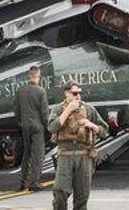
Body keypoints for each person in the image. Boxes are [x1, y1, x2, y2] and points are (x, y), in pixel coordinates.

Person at [48, 80, 108, 210]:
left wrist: (91, 125)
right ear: (66, 93)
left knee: (82, 196)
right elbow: (52, 127)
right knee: (60, 192)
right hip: (65, 155)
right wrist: (68, 110)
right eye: (74, 93)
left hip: (84, 156)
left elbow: (105, 131)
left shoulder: (88, 109)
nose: (78, 96)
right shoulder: (57, 109)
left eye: (79, 93)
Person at [13, 65, 49, 191]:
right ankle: (35, 182)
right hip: (37, 126)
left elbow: (16, 110)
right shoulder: (41, 91)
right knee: (38, 155)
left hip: (25, 126)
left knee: (26, 154)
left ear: (29, 75)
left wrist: (20, 122)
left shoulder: (20, 91)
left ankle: (23, 183)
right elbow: (45, 113)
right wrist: (47, 126)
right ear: (39, 76)